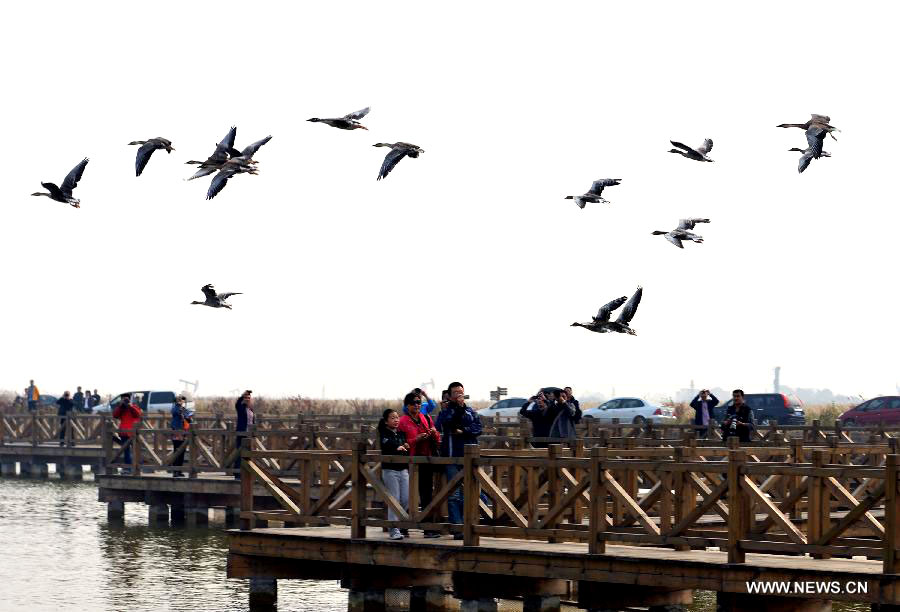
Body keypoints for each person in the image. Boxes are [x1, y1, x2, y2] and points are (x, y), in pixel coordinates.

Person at [435, 381, 482, 539]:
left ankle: (468, 525)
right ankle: (457, 528)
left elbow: (478, 428)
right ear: (450, 395)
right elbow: (444, 425)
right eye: (455, 392)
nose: (459, 395)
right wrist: (454, 410)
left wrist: (465, 431)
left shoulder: (470, 410)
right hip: (452, 456)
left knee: (469, 492)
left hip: (469, 457)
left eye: (460, 392)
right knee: (454, 494)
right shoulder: (446, 411)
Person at [398, 392, 441, 538]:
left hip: (425, 460)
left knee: (426, 494)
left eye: (419, 402)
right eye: (414, 402)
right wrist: (415, 439)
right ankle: (402, 526)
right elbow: (400, 443)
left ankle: (427, 528)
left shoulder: (425, 417)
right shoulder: (403, 421)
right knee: (406, 495)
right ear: (407, 405)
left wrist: (433, 433)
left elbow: (437, 438)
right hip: (408, 462)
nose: (417, 405)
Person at [378, 408, 410, 540]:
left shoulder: (401, 434)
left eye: (397, 417)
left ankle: (401, 525)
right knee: (394, 499)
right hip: (390, 470)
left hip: (403, 469)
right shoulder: (384, 433)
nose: (396, 420)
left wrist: (404, 447)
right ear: (386, 421)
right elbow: (387, 445)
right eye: (392, 418)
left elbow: (405, 449)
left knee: (406, 499)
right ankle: (393, 528)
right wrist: (397, 447)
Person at [112, 393, 142, 473]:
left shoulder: (134, 406)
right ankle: (128, 468)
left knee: (137, 450)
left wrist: (130, 406)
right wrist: (120, 406)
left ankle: (137, 467)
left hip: (133, 432)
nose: (124, 401)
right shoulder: (121, 408)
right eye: (123, 399)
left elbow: (138, 414)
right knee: (126, 451)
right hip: (124, 432)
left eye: (125, 399)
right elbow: (114, 415)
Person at [170, 395, 193, 477]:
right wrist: (180, 406)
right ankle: (175, 471)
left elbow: (189, 418)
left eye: (183, 400)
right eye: (180, 400)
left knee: (182, 451)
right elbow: (175, 412)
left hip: (183, 432)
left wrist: (189, 417)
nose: (182, 401)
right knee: (177, 451)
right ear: (177, 401)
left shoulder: (183, 409)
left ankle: (179, 471)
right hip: (176, 431)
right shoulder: (175, 408)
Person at [233, 390, 254, 478]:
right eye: (245, 398)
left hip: (249, 434)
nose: (247, 399)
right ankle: (237, 473)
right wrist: (242, 396)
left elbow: (252, 421)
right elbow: (237, 403)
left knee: (248, 454)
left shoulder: (250, 409)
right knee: (239, 453)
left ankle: (246, 472)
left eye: (248, 398)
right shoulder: (240, 407)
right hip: (242, 433)